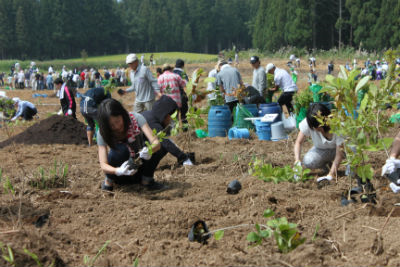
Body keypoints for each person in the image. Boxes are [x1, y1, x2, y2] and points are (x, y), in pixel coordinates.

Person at [97, 98, 167, 191]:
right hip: (120, 174)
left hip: (138, 167)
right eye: (112, 125)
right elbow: (103, 165)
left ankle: (147, 180)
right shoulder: (103, 132)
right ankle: (109, 182)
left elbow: (156, 143)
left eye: (118, 121)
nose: (117, 127)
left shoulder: (136, 118)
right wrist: (118, 171)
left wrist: (150, 150)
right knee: (120, 150)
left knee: (162, 145)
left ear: (122, 114)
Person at [294, 103, 345, 182]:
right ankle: (327, 165)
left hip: (343, 150)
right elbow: (298, 142)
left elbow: (339, 153)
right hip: (323, 150)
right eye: (314, 127)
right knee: (308, 161)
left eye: (318, 126)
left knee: (351, 173)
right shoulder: (309, 122)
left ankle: (348, 168)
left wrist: (331, 175)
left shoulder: (337, 125)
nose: (317, 129)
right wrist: (297, 161)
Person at [142, 95, 194, 166]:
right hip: (139, 153)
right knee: (163, 146)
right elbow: (165, 142)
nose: (171, 120)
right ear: (165, 114)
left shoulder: (150, 115)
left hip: (141, 147)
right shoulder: (152, 122)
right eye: (171, 117)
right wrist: (183, 157)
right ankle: (147, 169)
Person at [173, 59, 189, 123]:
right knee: (183, 115)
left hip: (171, 97)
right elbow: (187, 84)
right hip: (181, 96)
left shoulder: (171, 72)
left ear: (175, 65)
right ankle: (185, 131)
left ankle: (174, 131)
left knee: (174, 116)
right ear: (183, 66)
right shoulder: (183, 73)